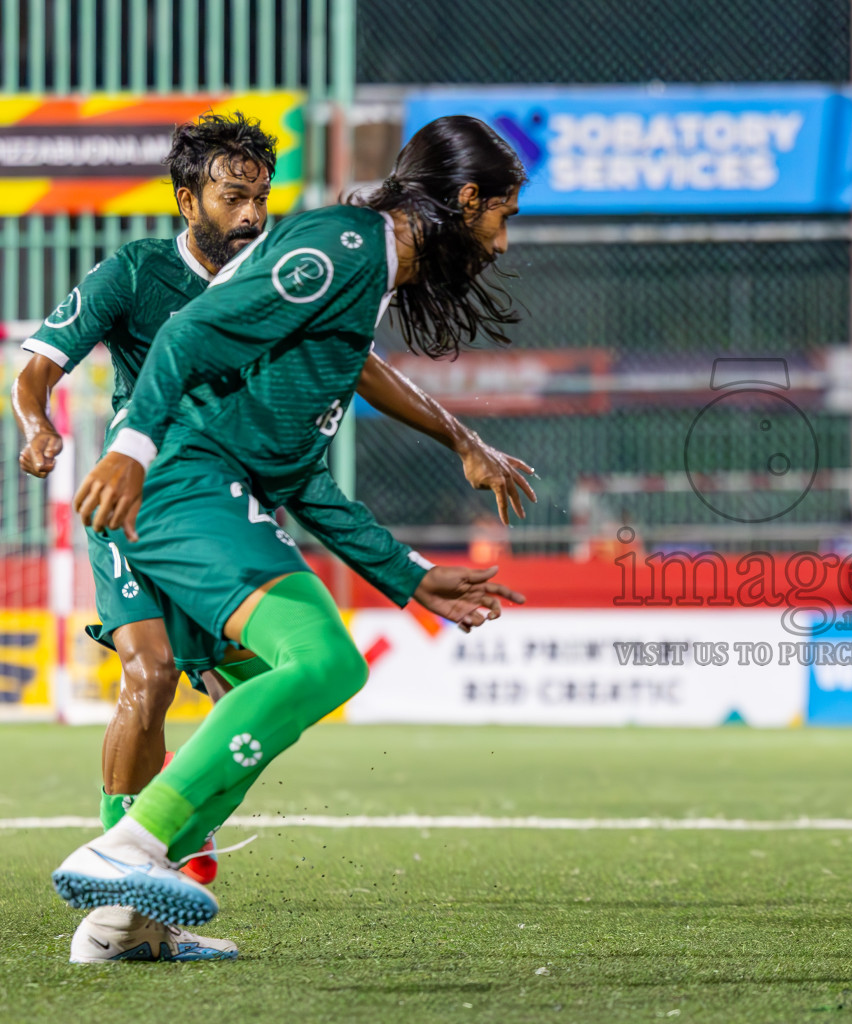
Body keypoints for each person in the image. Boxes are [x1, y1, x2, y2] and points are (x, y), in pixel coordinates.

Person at [13, 113, 536, 963]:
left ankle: (120, 924)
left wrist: (407, 576)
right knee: (284, 665)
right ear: (467, 197)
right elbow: (184, 335)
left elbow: (297, 472)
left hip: (212, 484)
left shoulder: (364, 278)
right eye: (503, 217)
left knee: (288, 675)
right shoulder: (342, 246)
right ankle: (127, 848)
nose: (504, 244)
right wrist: (133, 448)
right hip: (174, 481)